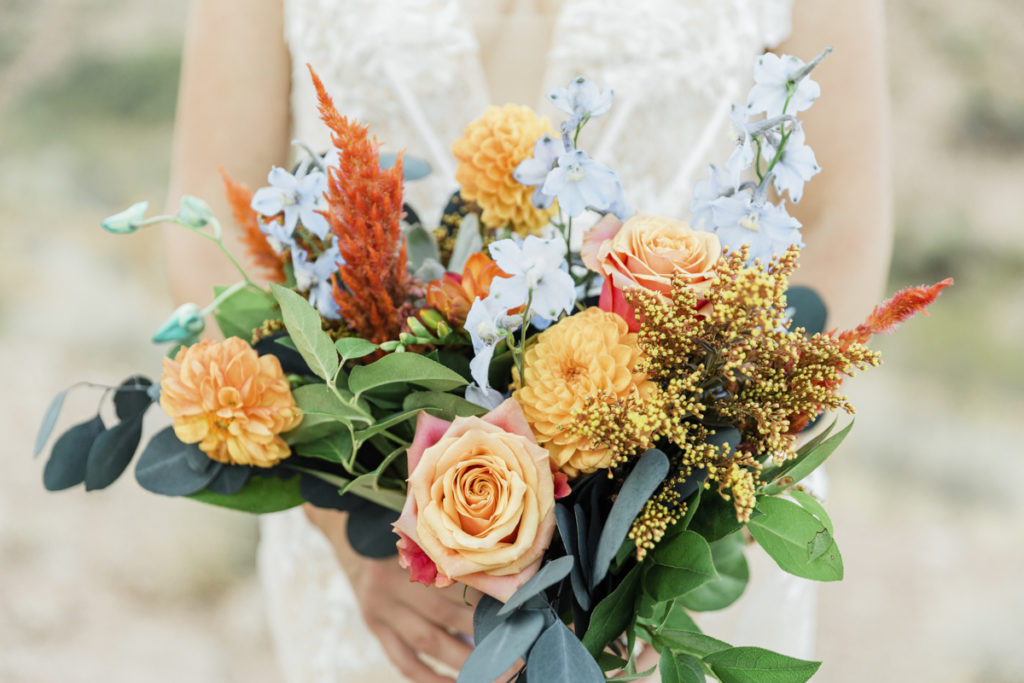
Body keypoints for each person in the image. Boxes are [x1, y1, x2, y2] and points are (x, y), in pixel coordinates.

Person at [165, 1, 892, 681]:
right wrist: (350, 529)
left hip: (687, 542)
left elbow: (840, 225)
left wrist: (696, 507)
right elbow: (214, 234)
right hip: (390, 571)